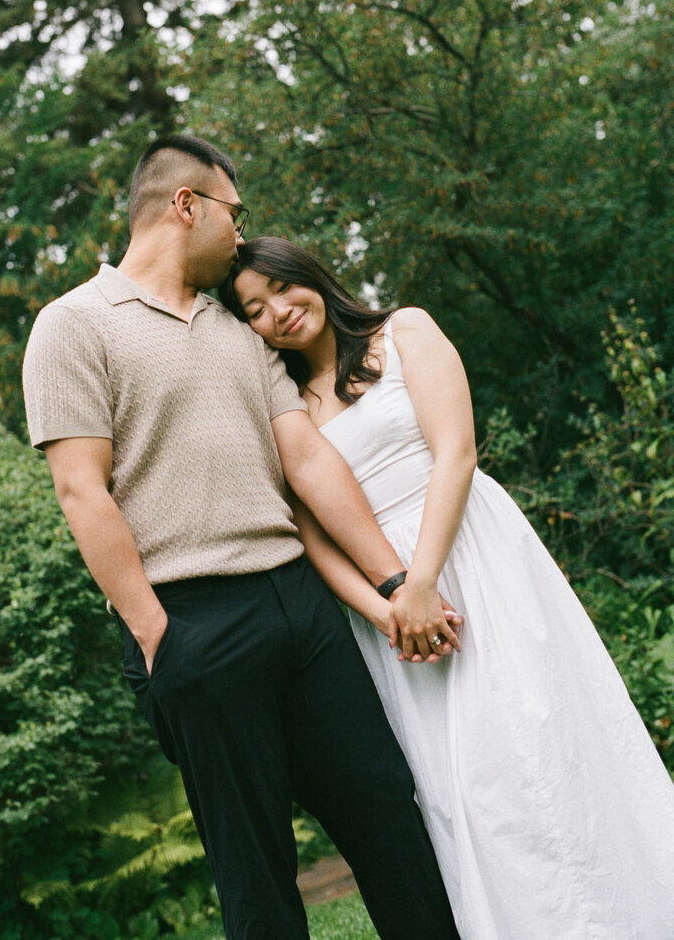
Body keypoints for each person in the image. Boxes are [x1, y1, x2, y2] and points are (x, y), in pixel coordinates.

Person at [22, 135, 461, 940]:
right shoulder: (72, 325)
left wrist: (396, 580)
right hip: (191, 623)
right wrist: (157, 634)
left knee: (387, 811)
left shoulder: (239, 332)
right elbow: (81, 489)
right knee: (255, 870)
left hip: (300, 606)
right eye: (234, 212)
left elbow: (307, 456)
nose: (239, 232)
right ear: (186, 204)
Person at [221, 235, 674, 940]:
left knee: (537, 738)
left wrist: (425, 579)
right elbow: (310, 535)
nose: (277, 310)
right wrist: (388, 608)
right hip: (395, 613)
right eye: (253, 308)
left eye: (281, 287)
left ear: (310, 275)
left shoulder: (403, 332)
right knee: (464, 784)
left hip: (471, 557)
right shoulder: (284, 407)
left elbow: (456, 451)